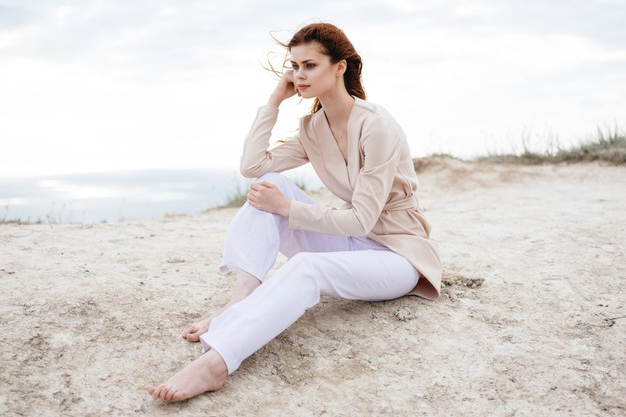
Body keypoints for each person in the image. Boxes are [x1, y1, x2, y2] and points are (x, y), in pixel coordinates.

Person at [147, 22, 442, 402]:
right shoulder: (314, 128)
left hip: (398, 257)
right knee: (268, 184)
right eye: (295, 66)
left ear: (340, 67)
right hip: (353, 244)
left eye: (310, 65)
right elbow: (254, 166)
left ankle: (216, 363)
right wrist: (274, 102)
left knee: (305, 266)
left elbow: (362, 219)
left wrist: (287, 208)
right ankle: (238, 304)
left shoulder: (376, 125)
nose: (299, 75)